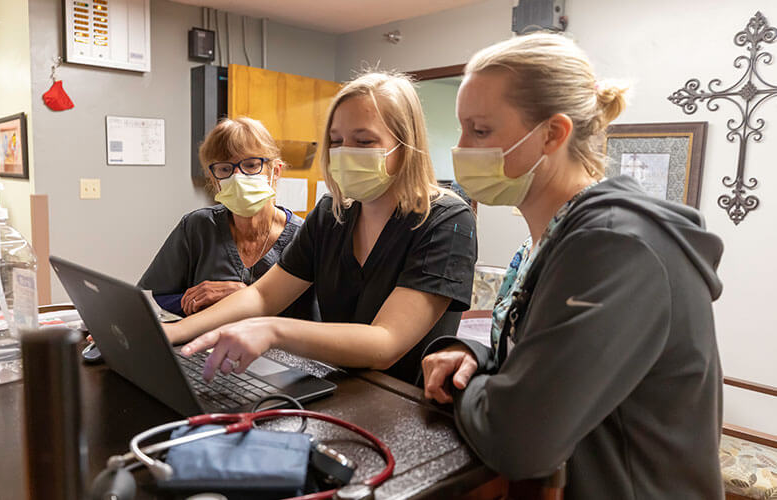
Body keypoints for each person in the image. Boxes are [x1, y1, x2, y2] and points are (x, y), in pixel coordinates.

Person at [421, 33, 724, 498]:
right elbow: (548, 364)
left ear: (552, 133)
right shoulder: (548, 239)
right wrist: (478, 358)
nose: (460, 148)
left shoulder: (613, 246)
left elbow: (519, 438)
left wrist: (471, 388)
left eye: (480, 130)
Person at [166, 71, 477, 386]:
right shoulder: (331, 214)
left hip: (405, 402)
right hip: (336, 387)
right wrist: (176, 331)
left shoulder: (446, 221)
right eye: (336, 141)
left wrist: (271, 330)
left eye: (364, 141)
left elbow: (386, 343)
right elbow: (262, 295)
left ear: (405, 144)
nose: (344, 151)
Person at [138, 117, 317, 320]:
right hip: (204, 348)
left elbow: (317, 320)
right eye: (225, 169)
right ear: (214, 180)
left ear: (275, 171)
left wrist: (243, 296)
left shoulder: (305, 237)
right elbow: (149, 299)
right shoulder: (197, 228)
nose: (238, 177)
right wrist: (194, 300)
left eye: (250, 165)